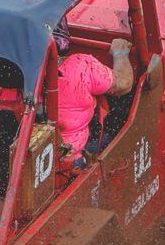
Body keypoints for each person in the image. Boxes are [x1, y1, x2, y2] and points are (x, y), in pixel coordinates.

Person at [53, 19, 134, 157]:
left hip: (36, 159)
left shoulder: (12, 72)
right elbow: (124, 84)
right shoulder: (80, 67)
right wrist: (120, 54)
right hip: (72, 158)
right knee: (121, 133)